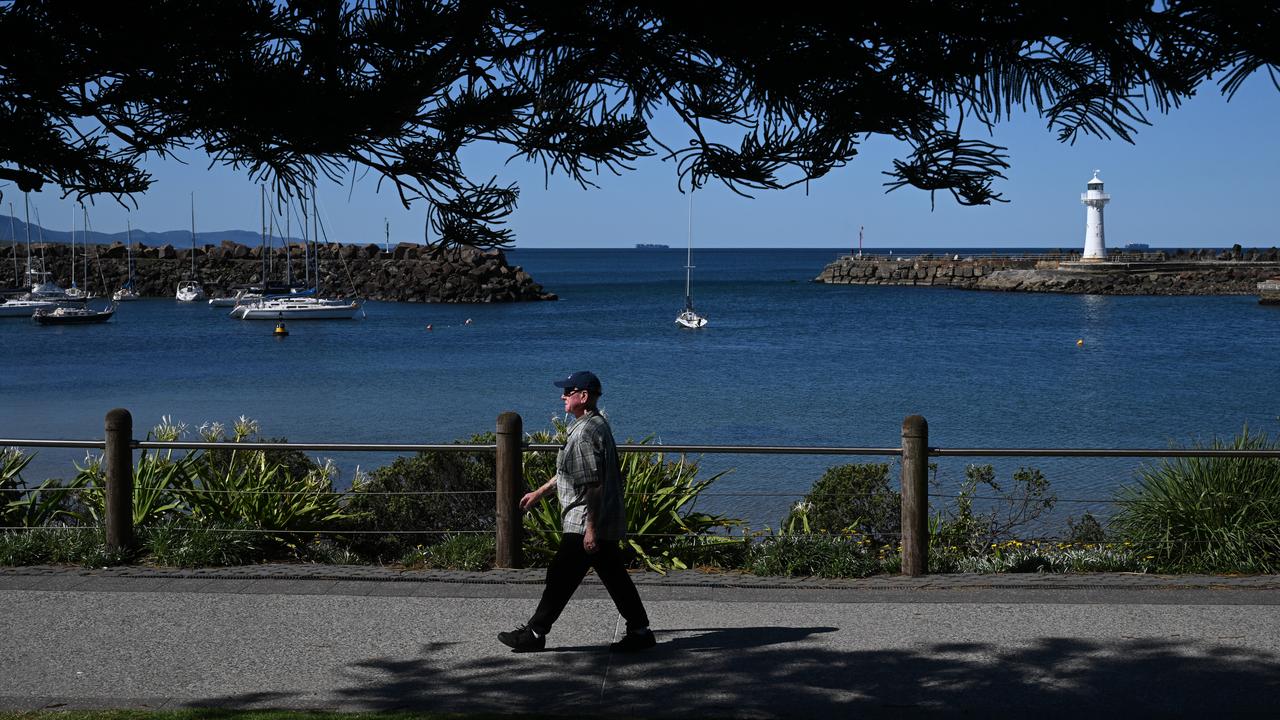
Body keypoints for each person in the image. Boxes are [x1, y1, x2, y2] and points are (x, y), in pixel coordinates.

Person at [498, 370, 655, 653]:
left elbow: (593, 484)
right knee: (613, 576)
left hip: (584, 520)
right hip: (598, 518)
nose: (563, 396)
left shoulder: (583, 434)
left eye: (568, 392)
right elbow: (570, 473)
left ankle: (535, 633)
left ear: (583, 397)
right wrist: (539, 493)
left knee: (560, 577)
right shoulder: (596, 424)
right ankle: (640, 630)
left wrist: (591, 529)